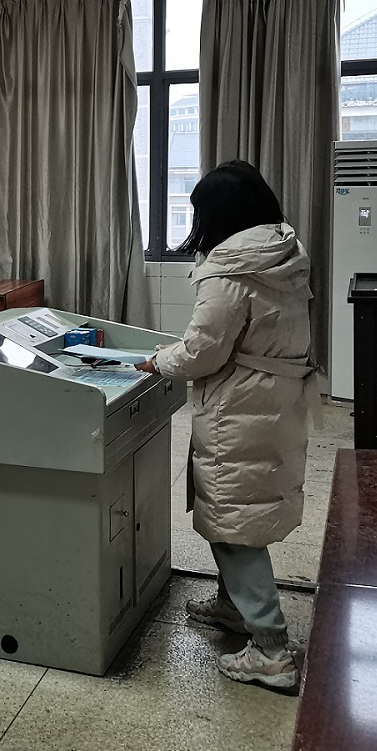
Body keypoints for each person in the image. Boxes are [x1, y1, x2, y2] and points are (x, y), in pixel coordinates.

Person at [139, 160, 315, 692]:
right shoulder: (283, 252)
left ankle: (272, 651)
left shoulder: (231, 271)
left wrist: (158, 362)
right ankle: (234, 606)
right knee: (237, 508)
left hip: (241, 405)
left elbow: (202, 351)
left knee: (234, 521)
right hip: (275, 398)